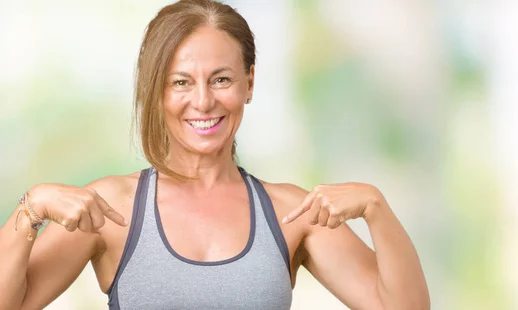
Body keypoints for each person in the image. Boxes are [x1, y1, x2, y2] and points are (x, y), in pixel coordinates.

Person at [0, 0, 429, 309]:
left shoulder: (292, 212)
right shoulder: (112, 208)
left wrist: (376, 207)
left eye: (221, 79)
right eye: (181, 82)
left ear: (249, 83)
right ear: (157, 93)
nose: (203, 102)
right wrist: (31, 208)